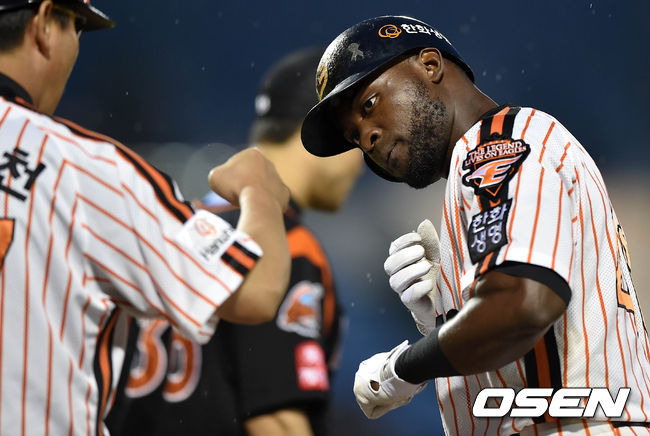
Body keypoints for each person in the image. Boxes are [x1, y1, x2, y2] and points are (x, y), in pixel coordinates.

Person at [300, 14, 650, 436]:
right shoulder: (513, 144)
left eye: (369, 105)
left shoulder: (495, 147)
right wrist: (449, 318)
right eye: (355, 136)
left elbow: (523, 306)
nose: (367, 138)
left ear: (430, 65)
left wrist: (401, 369)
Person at [0, 1, 291, 435]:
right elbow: (255, 291)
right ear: (43, 23)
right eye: (76, 26)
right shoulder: (81, 168)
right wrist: (259, 190)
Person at [106, 47, 363, 436]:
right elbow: (276, 419)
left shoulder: (183, 227)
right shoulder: (285, 246)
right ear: (321, 132)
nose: (361, 161)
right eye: (354, 137)